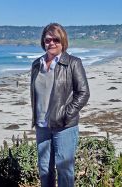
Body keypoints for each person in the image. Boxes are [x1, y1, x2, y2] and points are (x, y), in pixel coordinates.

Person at [30, 23, 90, 187]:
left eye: (56, 39)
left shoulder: (73, 63)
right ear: (43, 41)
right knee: (44, 169)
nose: (52, 43)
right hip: (42, 126)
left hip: (64, 126)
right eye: (48, 39)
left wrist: (66, 114)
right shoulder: (37, 64)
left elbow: (83, 93)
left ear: (63, 41)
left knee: (64, 170)